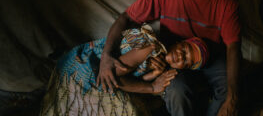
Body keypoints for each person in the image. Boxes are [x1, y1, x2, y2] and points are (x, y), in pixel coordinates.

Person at [98, 0, 242, 116]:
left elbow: (233, 47)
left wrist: (233, 97)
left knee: (231, 91)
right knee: (176, 90)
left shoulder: (226, 1)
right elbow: (126, 18)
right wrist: (106, 55)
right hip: (175, 56)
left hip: (210, 56)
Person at [39, 24, 210, 116]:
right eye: (185, 50)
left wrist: (151, 76)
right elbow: (112, 76)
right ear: (179, 42)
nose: (181, 57)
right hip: (89, 68)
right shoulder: (150, 46)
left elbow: (132, 75)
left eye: (186, 62)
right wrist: (151, 88)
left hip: (110, 77)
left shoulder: (161, 63)